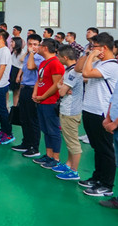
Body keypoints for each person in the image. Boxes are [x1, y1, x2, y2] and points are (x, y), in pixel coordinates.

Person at [77, 32, 118, 197]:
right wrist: (89, 54)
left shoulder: (111, 66)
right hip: (90, 110)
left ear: (104, 48)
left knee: (105, 150)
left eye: (94, 47)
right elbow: (79, 69)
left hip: (101, 112)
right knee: (97, 147)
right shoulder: (99, 63)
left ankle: (106, 185)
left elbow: (86, 73)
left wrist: (91, 56)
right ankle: (97, 178)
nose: (91, 49)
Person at [31, 39, 64, 169]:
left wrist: (43, 96)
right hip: (41, 101)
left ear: (45, 48)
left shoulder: (55, 63)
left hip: (50, 102)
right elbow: (39, 80)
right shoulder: (43, 63)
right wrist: (35, 93)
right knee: (45, 130)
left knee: (53, 130)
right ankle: (49, 155)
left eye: (39, 45)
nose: (37, 48)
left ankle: (56, 158)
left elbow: (57, 84)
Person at [55, 45, 84, 182]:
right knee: (69, 141)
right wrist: (62, 87)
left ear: (65, 57)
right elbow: (59, 85)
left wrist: (62, 88)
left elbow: (60, 91)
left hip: (70, 111)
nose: (57, 58)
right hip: (67, 109)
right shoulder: (69, 70)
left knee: (73, 143)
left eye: (59, 56)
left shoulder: (73, 73)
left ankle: (74, 171)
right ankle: (68, 164)